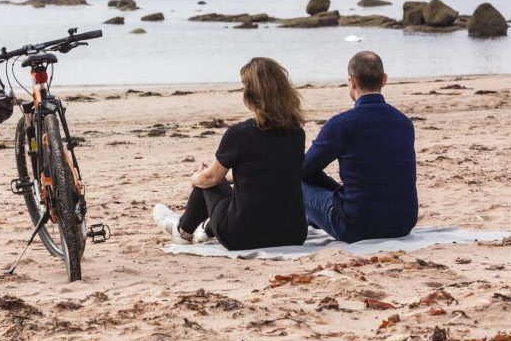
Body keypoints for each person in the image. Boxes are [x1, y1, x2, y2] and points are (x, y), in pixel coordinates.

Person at [153, 57, 307, 250]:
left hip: (242, 235)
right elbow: (274, 172)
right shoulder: (297, 133)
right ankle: (200, 228)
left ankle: (183, 230)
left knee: (207, 180)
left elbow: (210, 179)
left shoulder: (239, 133)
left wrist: (196, 177)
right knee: (216, 179)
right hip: (292, 233)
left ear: (250, 94)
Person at [301, 51, 417, 243]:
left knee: (298, 184)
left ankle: (303, 221)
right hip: (402, 224)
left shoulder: (341, 125)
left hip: (356, 226)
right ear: (384, 80)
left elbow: (302, 169)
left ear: (352, 82)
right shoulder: (404, 122)